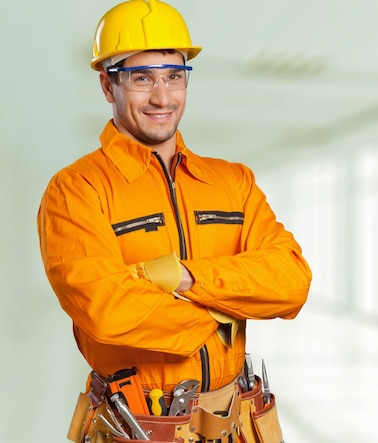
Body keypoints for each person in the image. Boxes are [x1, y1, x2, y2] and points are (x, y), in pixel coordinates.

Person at [37, 0, 312, 441]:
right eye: (141, 77)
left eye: (174, 76)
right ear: (109, 86)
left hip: (237, 425)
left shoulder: (233, 182)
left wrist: (182, 277)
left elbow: (292, 282)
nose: (162, 97)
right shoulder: (76, 189)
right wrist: (228, 308)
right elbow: (106, 310)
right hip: (138, 427)